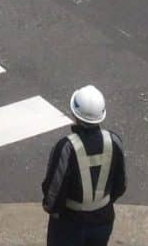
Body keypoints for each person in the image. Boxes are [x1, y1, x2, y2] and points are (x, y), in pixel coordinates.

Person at [42, 85, 126, 246]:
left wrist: (51, 209)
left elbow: (53, 191)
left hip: (69, 223)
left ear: (75, 113)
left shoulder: (66, 147)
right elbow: (121, 184)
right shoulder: (114, 141)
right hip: (103, 219)